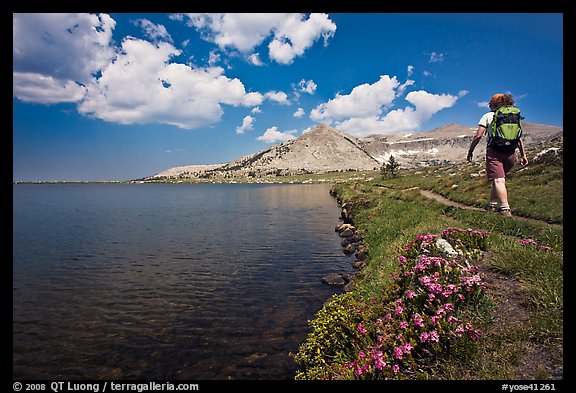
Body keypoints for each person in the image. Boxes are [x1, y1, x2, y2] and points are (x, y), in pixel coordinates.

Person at [467, 93, 528, 216]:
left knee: (499, 180)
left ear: (493, 105)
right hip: (511, 152)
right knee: (498, 179)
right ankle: (491, 205)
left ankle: (505, 208)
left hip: (495, 151)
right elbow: (519, 138)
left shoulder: (488, 116)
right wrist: (523, 155)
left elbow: (478, 135)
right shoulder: (513, 116)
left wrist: (471, 150)